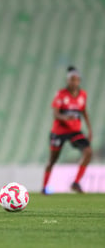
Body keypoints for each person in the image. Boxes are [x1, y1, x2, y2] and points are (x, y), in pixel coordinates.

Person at [42, 66, 92, 194]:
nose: (74, 82)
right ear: (67, 80)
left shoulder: (83, 95)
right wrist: (65, 117)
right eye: (71, 80)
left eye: (76, 80)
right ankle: (44, 187)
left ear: (79, 81)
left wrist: (89, 129)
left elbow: (84, 112)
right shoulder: (61, 94)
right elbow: (55, 114)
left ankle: (76, 183)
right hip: (59, 132)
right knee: (52, 160)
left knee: (88, 151)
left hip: (75, 131)